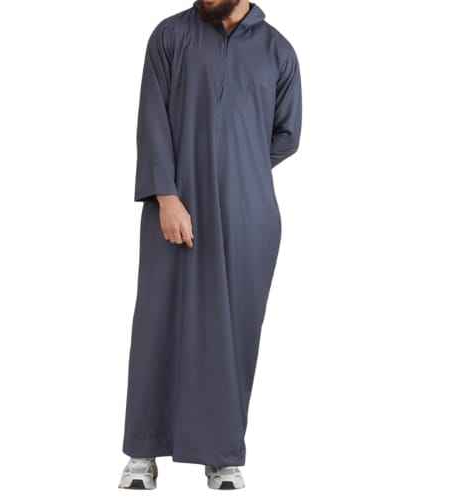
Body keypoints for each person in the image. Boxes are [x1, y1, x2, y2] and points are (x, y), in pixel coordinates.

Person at [119, 0, 301, 490]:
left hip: (248, 213)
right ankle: (142, 451)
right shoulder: (170, 36)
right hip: (174, 205)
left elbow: (286, 135)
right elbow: (152, 119)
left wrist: (236, 168)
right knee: (160, 320)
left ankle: (221, 453)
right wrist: (168, 195)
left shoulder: (277, 51)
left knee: (234, 329)